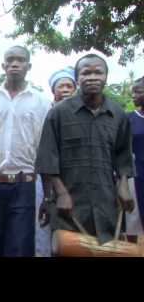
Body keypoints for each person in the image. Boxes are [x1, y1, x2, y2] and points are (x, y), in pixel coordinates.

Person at [36, 54, 134, 250]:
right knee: (68, 250)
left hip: (107, 204)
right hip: (69, 206)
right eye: (86, 73)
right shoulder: (59, 113)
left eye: (98, 72)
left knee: (107, 252)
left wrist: (124, 185)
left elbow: (123, 156)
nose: (92, 77)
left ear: (106, 77)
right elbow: (47, 157)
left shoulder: (118, 115)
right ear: (77, 78)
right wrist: (60, 194)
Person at [0, 46, 51, 257]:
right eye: (10, 60)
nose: (15, 63)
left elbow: (45, 149)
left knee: (20, 246)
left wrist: (47, 193)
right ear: (3, 66)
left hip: (24, 185)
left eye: (20, 60)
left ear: (29, 66)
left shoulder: (42, 102)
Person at [34, 67, 77, 257]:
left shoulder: (82, 112)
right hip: (47, 179)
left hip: (76, 178)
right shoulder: (44, 111)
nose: (66, 89)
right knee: (47, 225)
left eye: (70, 85)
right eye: (62, 86)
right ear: (53, 90)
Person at [125, 77, 144, 240]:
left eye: (138, 91)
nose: (133, 95)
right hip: (137, 177)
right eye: (133, 91)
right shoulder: (129, 119)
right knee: (135, 224)